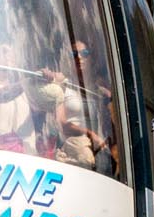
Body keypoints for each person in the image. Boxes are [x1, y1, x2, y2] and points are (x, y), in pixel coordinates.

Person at [34, 41, 117, 173]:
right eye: (74, 54)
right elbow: (61, 123)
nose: (79, 57)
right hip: (73, 146)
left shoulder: (98, 91)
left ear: (90, 59)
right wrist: (89, 133)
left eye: (84, 53)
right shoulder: (62, 84)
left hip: (97, 148)